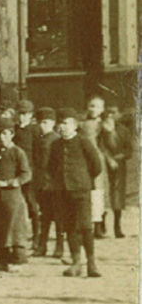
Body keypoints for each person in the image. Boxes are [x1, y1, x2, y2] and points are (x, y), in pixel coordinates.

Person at [47, 110, 104, 279]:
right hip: (63, 191)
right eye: (61, 123)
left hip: (81, 190)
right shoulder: (55, 145)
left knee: (86, 226)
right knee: (70, 226)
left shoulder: (83, 142)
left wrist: (83, 180)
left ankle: (92, 263)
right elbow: (51, 167)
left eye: (67, 123)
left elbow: (96, 165)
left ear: (75, 125)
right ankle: (76, 262)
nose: (63, 127)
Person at [0, 121, 32, 272]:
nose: (2, 137)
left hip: (12, 197)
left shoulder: (17, 152)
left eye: (5, 133)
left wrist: (10, 183)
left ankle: (17, 261)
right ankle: (2, 261)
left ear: (12, 134)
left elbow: (26, 174)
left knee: (14, 228)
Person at [86, 92, 132, 238]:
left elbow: (128, 149)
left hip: (117, 167)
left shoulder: (122, 130)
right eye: (109, 112)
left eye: (114, 112)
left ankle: (117, 227)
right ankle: (100, 225)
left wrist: (118, 157)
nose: (111, 115)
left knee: (117, 196)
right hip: (101, 165)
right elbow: (100, 145)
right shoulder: (96, 126)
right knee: (99, 194)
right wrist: (109, 158)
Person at [31, 107, 62, 258]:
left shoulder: (56, 139)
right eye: (40, 122)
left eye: (46, 122)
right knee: (45, 216)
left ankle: (59, 247)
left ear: (53, 123)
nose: (42, 126)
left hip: (54, 184)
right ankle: (42, 246)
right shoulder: (39, 139)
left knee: (58, 216)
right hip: (42, 183)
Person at [13, 95, 44, 240]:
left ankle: (37, 234)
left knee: (32, 202)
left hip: (31, 171)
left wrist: (36, 170)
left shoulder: (35, 130)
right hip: (15, 171)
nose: (22, 117)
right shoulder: (13, 130)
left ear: (31, 115)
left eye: (25, 114)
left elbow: (39, 152)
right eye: (19, 113)